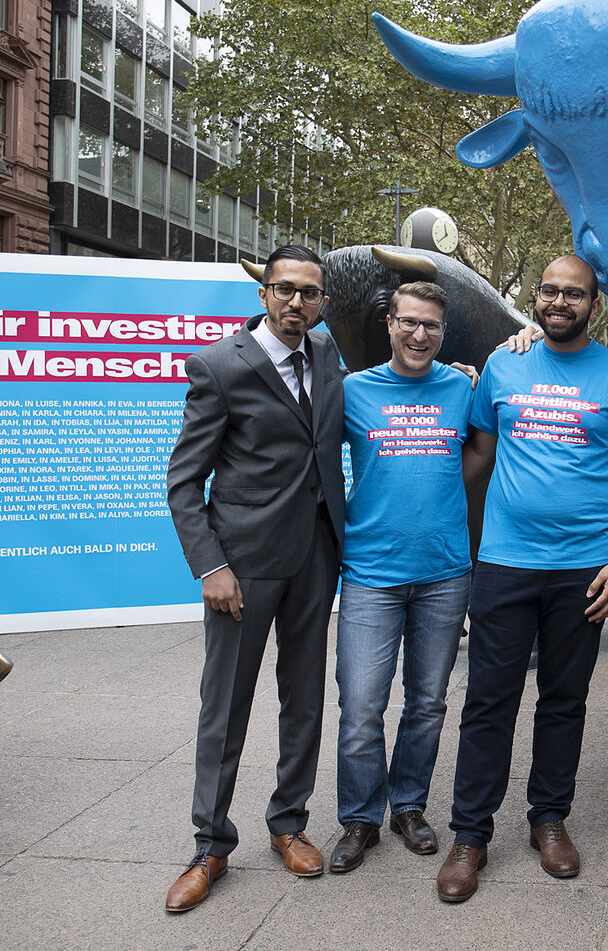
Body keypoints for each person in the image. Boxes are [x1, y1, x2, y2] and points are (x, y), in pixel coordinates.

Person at [435, 254, 608, 903]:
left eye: (574, 293)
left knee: (565, 700)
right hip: (504, 563)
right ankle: (470, 834)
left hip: (583, 572)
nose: (560, 301)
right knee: (487, 703)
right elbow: (476, 454)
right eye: (550, 290)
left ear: (594, 304)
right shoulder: (506, 363)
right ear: (539, 297)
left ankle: (548, 818)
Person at [163, 244, 345, 911]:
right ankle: (211, 843)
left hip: (315, 558)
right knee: (225, 707)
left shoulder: (326, 355)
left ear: (322, 301)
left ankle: (288, 823)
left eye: (310, 292)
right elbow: (184, 480)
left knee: (303, 699)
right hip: (241, 568)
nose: (298, 301)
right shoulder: (218, 365)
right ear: (264, 294)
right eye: (286, 289)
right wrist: (211, 564)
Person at [328, 279, 477, 872]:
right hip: (369, 573)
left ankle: (409, 805)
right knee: (361, 705)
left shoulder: (464, 388)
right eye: (409, 322)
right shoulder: (353, 391)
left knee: (428, 703)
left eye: (432, 326)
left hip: (445, 573)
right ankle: (360, 817)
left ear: (444, 332)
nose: (420, 335)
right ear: (389, 323)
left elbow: (484, 451)